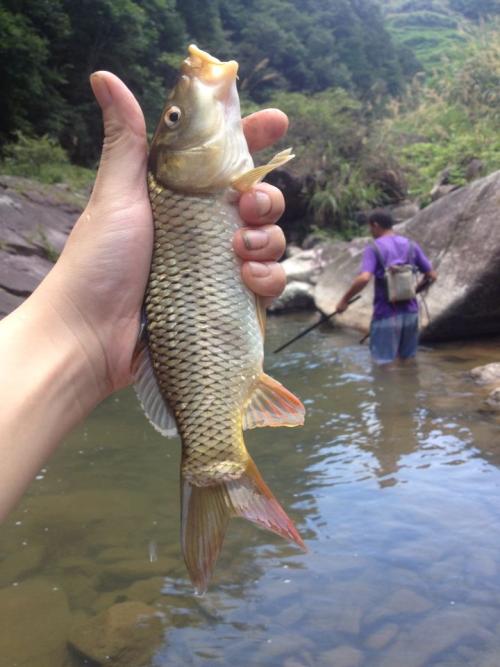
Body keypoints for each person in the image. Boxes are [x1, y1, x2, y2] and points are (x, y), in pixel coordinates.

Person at [0, 71, 290, 522]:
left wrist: (81, 335)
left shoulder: (208, 181)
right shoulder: (190, 186)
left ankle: (217, 467)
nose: (179, 113)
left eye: (174, 118)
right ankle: (216, 468)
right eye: (175, 119)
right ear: (166, 162)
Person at [336, 209, 436, 364]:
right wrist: (413, 291)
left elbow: (364, 278)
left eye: (370, 228)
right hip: (411, 314)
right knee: (408, 361)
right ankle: (410, 388)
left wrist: (344, 301)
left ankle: (387, 389)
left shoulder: (374, 248)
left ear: (375, 225)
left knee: (384, 365)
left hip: (386, 315)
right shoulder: (410, 245)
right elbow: (431, 276)